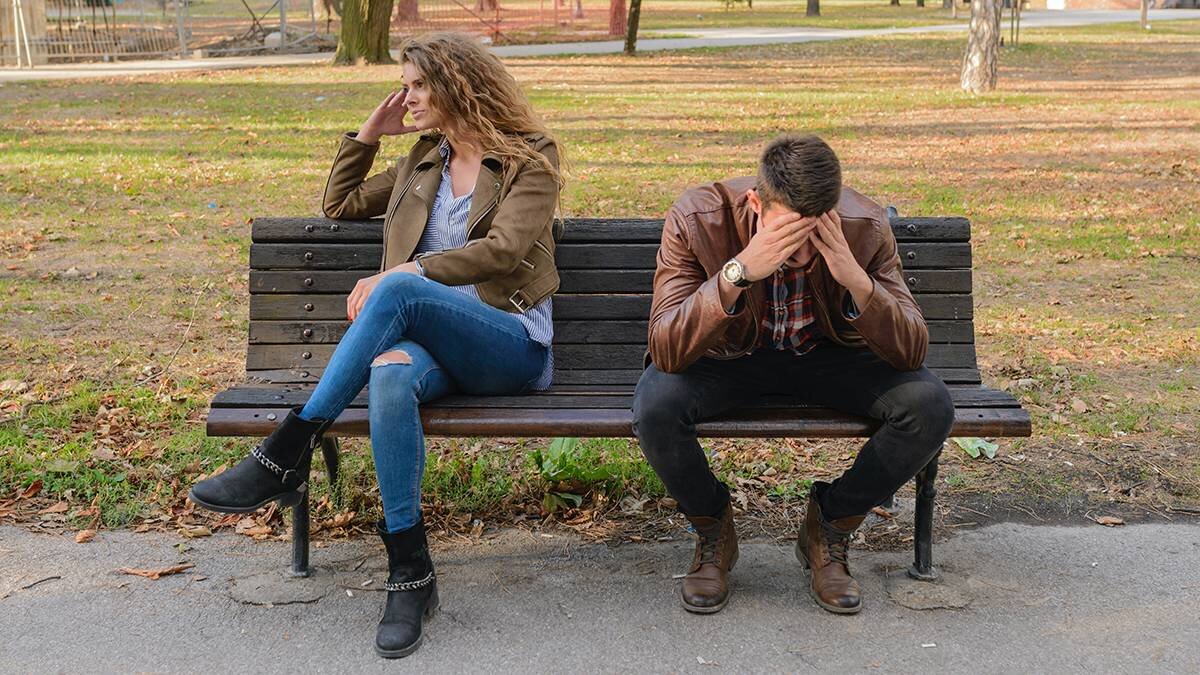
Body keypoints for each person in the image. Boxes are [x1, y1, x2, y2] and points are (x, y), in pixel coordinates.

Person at [188, 32, 563, 658]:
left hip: (509, 342)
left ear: (456, 85)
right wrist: (367, 135)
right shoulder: (423, 161)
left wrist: (407, 272)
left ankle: (289, 447)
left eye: (418, 86)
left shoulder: (530, 156)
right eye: (404, 86)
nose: (406, 97)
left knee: (400, 289)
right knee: (389, 376)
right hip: (432, 345)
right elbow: (339, 204)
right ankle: (410, 574)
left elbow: (504, 251)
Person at [631, 134, 954, 616]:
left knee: (929, 406)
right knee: (655, 405)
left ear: (833, 213)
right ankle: (713, 529)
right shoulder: (698, 217)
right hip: (730, 358)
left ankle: (830, 527)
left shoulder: (864, 225)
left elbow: (911, 351)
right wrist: (737, 273)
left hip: (827, 356)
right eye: (786, 233)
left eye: (813, 234)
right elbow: (667, 350)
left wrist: (854, 277)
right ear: (755, 204)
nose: (798, 251)